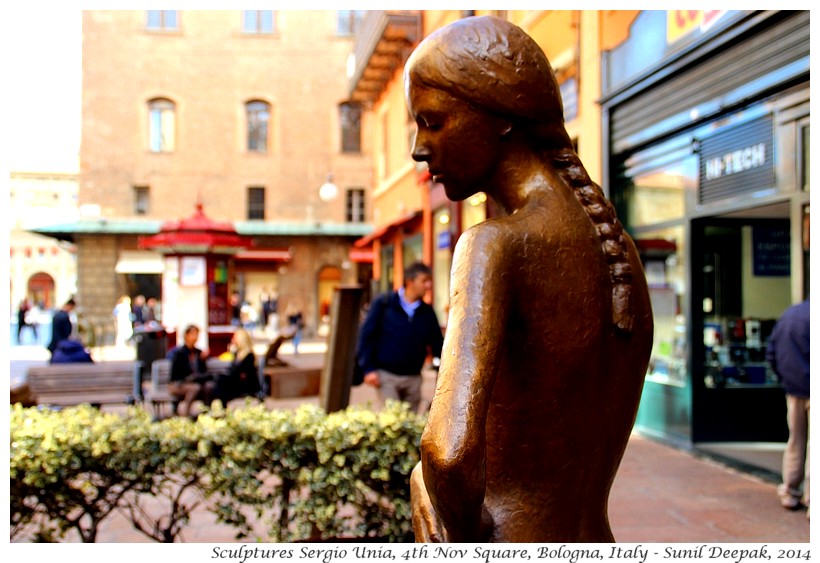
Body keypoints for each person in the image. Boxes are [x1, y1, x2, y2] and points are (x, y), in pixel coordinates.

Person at [404, 16, 653, 542]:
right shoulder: (619, 252)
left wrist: (429, 489)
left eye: (432, 122)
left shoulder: (493, 244)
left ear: (498, 116)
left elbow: (447, 453)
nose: (418, 149)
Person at [356, 262, 444, 414]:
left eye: (429, 281)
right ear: (410, 281)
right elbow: (366, 335)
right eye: (424, 281)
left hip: (414, 378)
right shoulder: (384, 303)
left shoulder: (427, 312)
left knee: (410, 425)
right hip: (386, 377)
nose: (428, 285)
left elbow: (438, 344)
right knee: (393, 421)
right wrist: (368, 368)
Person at [766, 298, 810, 515]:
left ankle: (790, 491)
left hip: (794, 390)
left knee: (796, 440)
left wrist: (786, 379)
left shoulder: (789, 315)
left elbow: (772, 352)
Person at [168, 324, 212, 417]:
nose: (195, 337)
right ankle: (185, 412)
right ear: (186, 336)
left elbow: (202, 372)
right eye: (193, 334)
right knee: (194, 388)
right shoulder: (179, 353)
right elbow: (177, 374)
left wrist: (202, 360)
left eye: (197, 335)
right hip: (179, 384)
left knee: (208, 387)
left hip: (194, 382)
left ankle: (206, 412)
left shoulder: (199, 353)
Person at [213, 328, 261, 404]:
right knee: (218, 381)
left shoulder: (249, 356)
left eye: (234, 338)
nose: (232, 340)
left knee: (221, 382)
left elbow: (243, 374)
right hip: (237, 382)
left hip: (246, 385)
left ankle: (220, 405)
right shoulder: (237, 354)